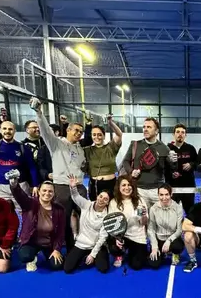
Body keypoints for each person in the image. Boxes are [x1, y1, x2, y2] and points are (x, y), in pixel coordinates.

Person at [32, 98, 87, 252]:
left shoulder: (80, 149)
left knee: (86, 217)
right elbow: (45, 130)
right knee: (64, 220)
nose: (78, 133)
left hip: (79, 187)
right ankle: (69, 250)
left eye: (81, 132)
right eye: (76, 130)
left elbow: (81, 166)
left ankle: (85, 247)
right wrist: (39, 112)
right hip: (62, 188)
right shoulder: (56, 143)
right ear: (68, 130)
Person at [10, 176, 65, 272]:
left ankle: (47, 253)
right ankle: (32, 258)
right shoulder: (29, 203)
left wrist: (56, 249)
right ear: (39, 192)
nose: (47, 193)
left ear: (53, 193)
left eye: (50, 191)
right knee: (25, 256)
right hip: (31, 242)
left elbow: (60, 232)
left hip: (49, 243)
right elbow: (19, 195)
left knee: (57, 265)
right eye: (44, 190)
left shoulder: (59, 209)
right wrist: (14, 185)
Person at [121, 117, 174, 209]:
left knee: (158, 217)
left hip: (157, 191)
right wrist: (131, 171)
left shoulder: (164, 148)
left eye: (149, 127)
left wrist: (174, 161)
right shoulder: (135, 145)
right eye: (144, 127)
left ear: (156, 131)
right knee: (141, 217)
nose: (145, 129)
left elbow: (172, 168)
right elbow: (125, 161)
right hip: (139, 190)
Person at [65, 176, 110, 274]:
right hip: (82, 243)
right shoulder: (86, 204)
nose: (102, 200)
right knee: (67, 268)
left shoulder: (107, 216)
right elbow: (76, 197)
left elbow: (102, 237)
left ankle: (94, 256)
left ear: (107, 203)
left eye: (105, 199)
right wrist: (73, 187)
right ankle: (84, 256)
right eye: (101, 196)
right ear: (97, 196)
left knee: (103, 268)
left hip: (97, 245)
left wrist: (92, 255)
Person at [107, 175, 149, 270]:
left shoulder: (139, 201)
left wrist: (143, 216)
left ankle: (132, 252)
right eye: (124, 185)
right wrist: (116, 238)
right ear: (119, 187)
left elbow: (143, 223)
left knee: (137, 265)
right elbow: (111, 224)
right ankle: (119, 254)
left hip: (137, 236)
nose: (127, 187)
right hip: (121, 236)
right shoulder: (113, 202)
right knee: (114, 247)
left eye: (129, 185)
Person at [84, 115, 122, 200]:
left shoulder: (111, 147)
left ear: (104, 136)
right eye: (94, 135)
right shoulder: (87, 150)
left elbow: (119, 135)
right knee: (95, 206)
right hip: (95, 185)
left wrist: (110, 123)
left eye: (99, 135)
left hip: (111, 185)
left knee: (112, 206)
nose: (96, 137)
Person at [148, 184, 184, 268]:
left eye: (167, 194)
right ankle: (162, 253)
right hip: (159, 239)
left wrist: (169, 241)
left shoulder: (178, 208)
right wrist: (154, 246)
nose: (164, 198)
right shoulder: (153, 209)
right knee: (154, 263)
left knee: (177, 246)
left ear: (171, 194)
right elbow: (151, 229)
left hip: (173, 240)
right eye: (161, 195)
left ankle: (175, 253)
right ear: (158, 195)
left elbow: (179, 230)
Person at [167, 123, 198, 213]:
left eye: (182, 132)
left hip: (188, 185)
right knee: (172, 212)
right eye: (178, 132)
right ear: (173, 134)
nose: (180, 134)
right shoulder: (167, 148)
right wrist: (171, 173)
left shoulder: (191, 148)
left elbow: (197, 163)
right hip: (173, 186)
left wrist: (191, 164)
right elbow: (163, 166)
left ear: (185, 135)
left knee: (190, 212)